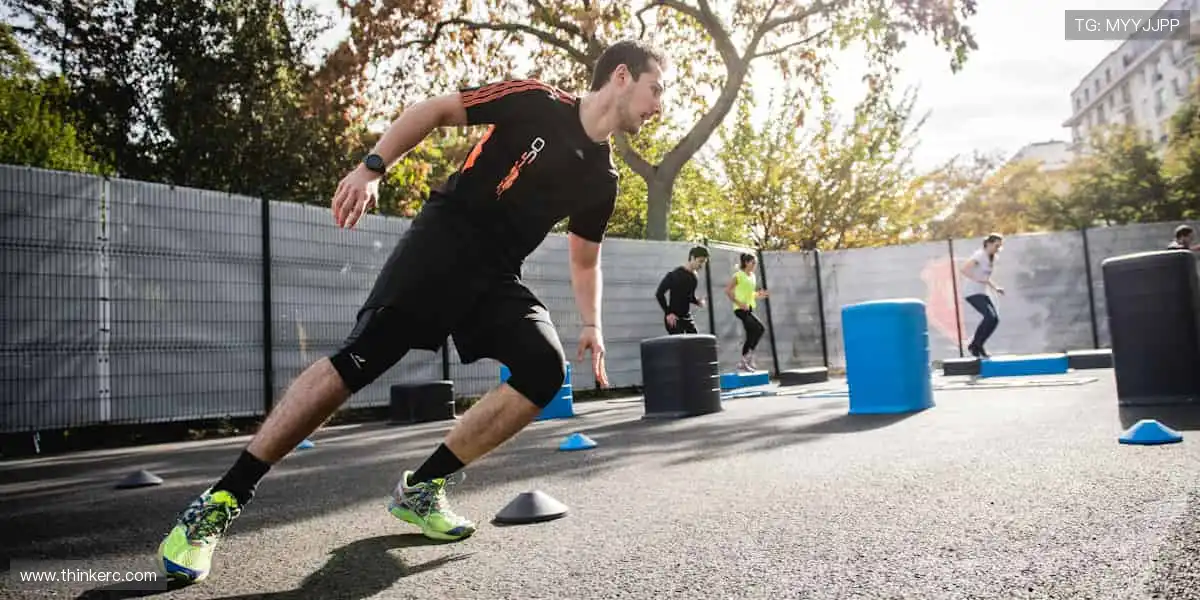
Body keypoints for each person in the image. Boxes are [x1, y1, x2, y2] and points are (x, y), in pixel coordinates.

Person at [156, 39, 667, 585]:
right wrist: (373, 167)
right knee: (359, 360)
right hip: (442, 242)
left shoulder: (603, 179)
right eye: (656, 89)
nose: (659, 106)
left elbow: (586, 263)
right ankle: (219, 501)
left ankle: (422, 488)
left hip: (494, 276)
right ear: (621, 75)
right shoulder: (537, 100)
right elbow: (437, 109)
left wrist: (592, 324)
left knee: (544, 369)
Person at [959, 233, 1005, 358]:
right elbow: (963, 269)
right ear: (989, 244)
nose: (998, 249)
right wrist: (977, 279)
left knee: (994, 319)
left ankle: (978, 345)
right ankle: (975, 345)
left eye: (1000, 246)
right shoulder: (979, 255)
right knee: (989, 317)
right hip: (971, 292)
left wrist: (996, 288)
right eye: (996, 246)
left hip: (981, 292)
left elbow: (985, 277)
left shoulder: (992, 258)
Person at [724, 252, 768, 372]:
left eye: (756, 263)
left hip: (749, 308)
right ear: (747, 262)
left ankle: (744, 361)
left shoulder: (752, 276)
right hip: (740, 309)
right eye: (753, 263)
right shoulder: (738, 275)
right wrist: (739, 303)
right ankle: (747, 358)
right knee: (760, 328)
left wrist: (759, 295)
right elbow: (727, 290)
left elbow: (749, 294)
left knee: (751, 334)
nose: (755, 265)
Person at [655, 246, 708, 334]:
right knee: (680, 345)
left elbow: (688, 296)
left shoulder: (694, 277)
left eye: (704, 262)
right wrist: (668, 313)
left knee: (696, 342)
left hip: (687, 317)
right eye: (700, 261)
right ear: (692, 258)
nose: (701, 265)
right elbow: (659, 294)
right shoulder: (674, 275)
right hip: (674, 317)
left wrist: (697, 301)